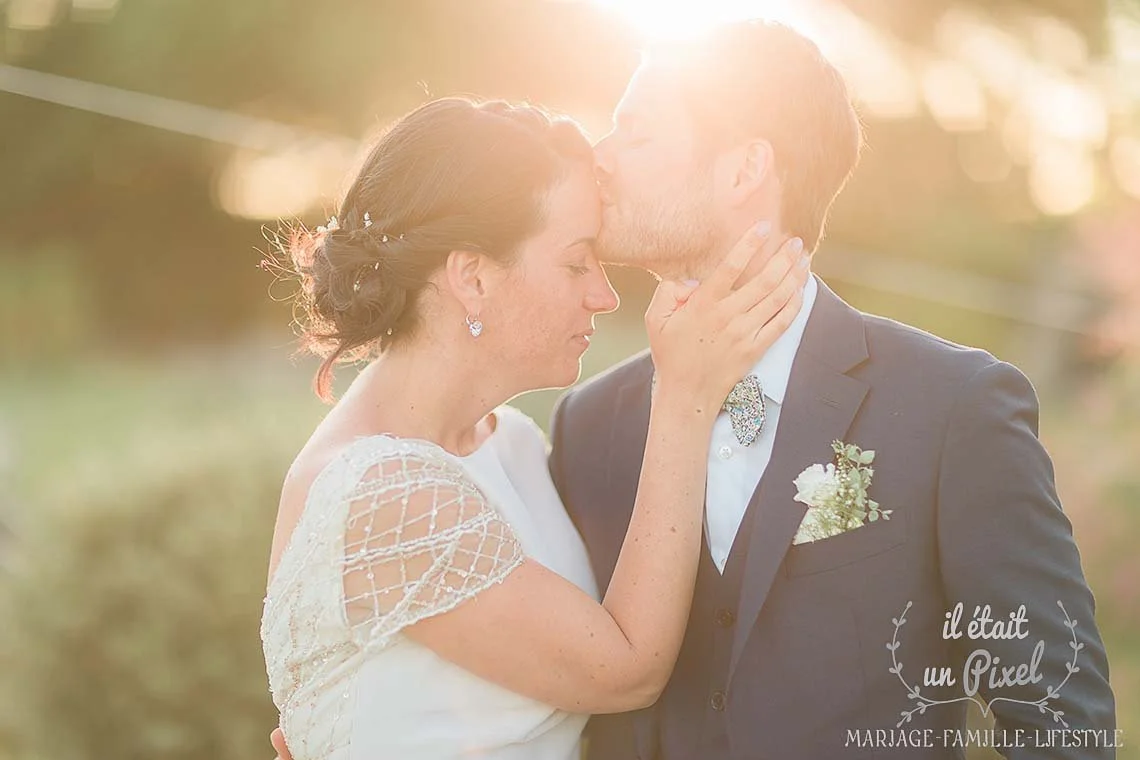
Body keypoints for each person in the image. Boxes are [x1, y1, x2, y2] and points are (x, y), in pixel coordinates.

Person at [551, 19, 1116, 760]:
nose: (601, 157)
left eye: (637, 132)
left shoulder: (952, 408)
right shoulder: (588, 425)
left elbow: (1059, 720)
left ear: (744, 169)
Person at [260, 96, 808, 760]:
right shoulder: (381, 494)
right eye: (577, 262)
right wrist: (686, 394)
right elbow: (626, 668)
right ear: (472, 277)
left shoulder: (511, 440)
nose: (604, 296)